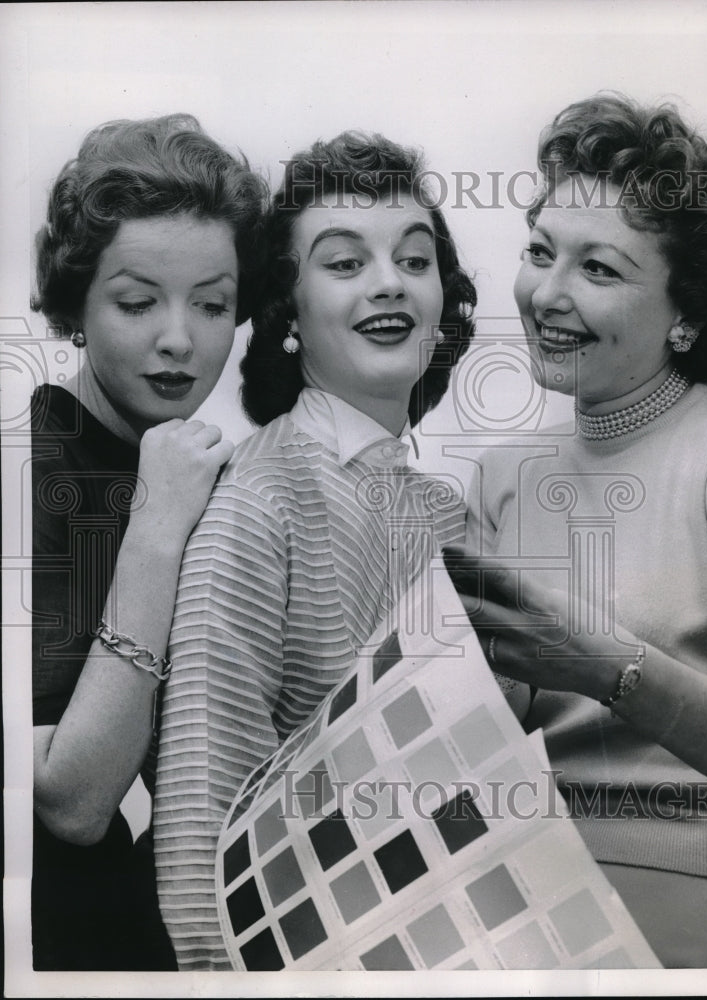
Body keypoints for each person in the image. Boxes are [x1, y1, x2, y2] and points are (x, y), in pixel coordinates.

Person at [445, 94, 707, 968]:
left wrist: (599, 664)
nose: (546, 293)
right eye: (540, 253)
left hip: (693, 904)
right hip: (520, 903)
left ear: (688, 312)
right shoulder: (501, 474)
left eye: (600, 270)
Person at [152, 130, 478, 969]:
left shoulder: (446, 516)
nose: (388, 283)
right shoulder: (261, 499)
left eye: (414, 259)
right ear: (287, 315)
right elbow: (204, 835)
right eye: (343, 263)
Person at [29, 113, 267, 970]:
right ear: (76, 305)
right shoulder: (34, 466)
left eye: (212, 304)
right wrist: (158, 525)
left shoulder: (185, 471)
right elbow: (73, 799)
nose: (180, 338)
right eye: (137, 302)